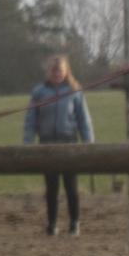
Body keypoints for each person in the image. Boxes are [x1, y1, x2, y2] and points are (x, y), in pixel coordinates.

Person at [22, 54, 94, 236]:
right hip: (47, 143)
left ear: (66, 71)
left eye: (60, 71)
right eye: (53, 71)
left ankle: (74, 222)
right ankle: (52, 223)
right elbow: (31, 119)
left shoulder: (74, 91)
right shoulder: (39, 92)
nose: (56, 74)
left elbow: (83, 119)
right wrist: (27, 142)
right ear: (49, 72)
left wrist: (89, 143)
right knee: (51, 187)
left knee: (71, 186)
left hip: (69, 142)